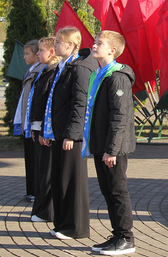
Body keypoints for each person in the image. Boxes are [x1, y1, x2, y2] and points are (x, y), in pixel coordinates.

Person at [84, 31, 137, 255]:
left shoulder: (117, 77)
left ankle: (127, 238)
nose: (93, 46)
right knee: (107, 192)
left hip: (113, 148)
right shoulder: (99, 74)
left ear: (112, 50)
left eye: (99, 43)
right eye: (95, 42)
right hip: (101, 145)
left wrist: (111, 150)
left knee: (117, 192)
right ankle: (116, 235)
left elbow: (120, 116)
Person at [44, 27, 98, 240]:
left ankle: (75, 227)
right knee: (60, 179)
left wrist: (72, 134)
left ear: (71, 45)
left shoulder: (80, 69)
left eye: (58, 42)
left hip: (70, 136)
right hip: (59, 133)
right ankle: (62, 223)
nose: (55, 45)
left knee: (72, 181)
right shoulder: (64, 66)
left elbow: (80, 104)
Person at [28, 37, 61, 223]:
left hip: (47, 129)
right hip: (38, 126)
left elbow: (48, 104)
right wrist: (33, 125)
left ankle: (48, 211)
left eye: (41, 50)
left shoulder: (54, 73)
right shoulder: (44, 71)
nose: (38, 53)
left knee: (47, 171)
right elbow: (36, 101)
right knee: (41, 171)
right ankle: (40, 208)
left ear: (52, 52)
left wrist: (43, 130)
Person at [12, 40, 42, 202]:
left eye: (27, 54)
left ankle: (36, 191)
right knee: (29, 158)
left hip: (33, 123)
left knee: (35, 159)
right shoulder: (31, 70)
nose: (24, 57)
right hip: (27, 122)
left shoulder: (40, 72)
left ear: (38, 54)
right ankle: (31, 190)